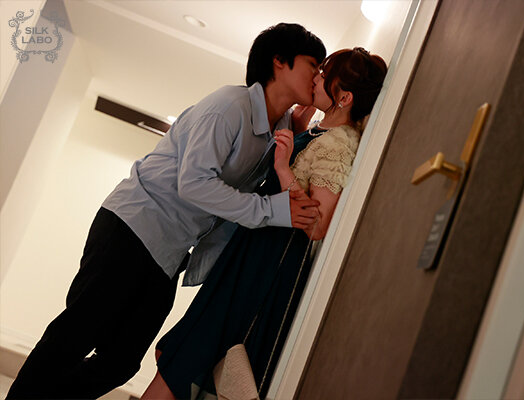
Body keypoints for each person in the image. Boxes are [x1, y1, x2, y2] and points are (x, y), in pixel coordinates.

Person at [6, 23, 326, 399]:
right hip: (134, 225)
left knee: (121, 361)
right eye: (313, 64)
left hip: (171, 251)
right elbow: (194, 184)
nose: (317, 75)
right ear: (279, 62)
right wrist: (272, 210)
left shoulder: (280, 125)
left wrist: (294, 132)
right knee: (76, 335)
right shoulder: (229, 107)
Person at [141, 47, 388, 400]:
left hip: (269, 264)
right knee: (183, 353)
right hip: (251, 252)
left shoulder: (339, 145)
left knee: (192, 357)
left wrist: (284, 169)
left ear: (344, 97)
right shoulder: (319, 131)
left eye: (324, 75)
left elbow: (318, 226)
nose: (316, 77)